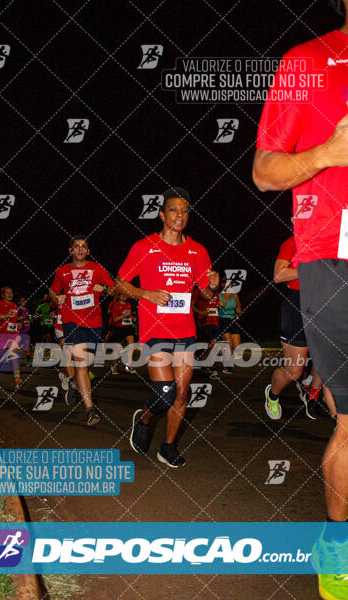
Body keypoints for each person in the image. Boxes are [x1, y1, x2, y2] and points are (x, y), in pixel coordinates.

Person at [253, 3, 348, 595]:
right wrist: (328, 154)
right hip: (337, 257)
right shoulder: (308, 61)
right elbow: (264, 170)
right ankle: (337, 547)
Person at [114, 187, 219, 468]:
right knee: (165, 394)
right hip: (155, 331)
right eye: (174, 210)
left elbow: (206, 293)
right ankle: (145, 418)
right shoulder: (144, 246)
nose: (180, 215)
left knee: (183, 394)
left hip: (185, 331)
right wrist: (146, 294)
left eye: (184, 211)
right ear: (161, 214)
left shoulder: (198, 250)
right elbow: (120, 284)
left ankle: (168, 447)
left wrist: (212, 286)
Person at [49, 234, 115, 426]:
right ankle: (90, 409)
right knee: (81, 364)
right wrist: (56, 298)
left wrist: (102, 288)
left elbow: (114, 289)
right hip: (72, 322)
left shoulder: (97, 268)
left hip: (94, 323)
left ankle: (73, 383)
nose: (79, 249)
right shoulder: (62, 271)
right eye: (76, 246)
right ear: (70, 251)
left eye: (83, 246)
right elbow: (52, 290)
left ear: (88, 251)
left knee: (87, 364)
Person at [265, 235, 324, 421]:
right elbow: (279, 275)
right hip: (298, 305)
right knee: (294, 371)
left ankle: (312, 394)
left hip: (326, 306)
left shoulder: (333, 243)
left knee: (327, 363)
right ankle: (272, 395)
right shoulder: (293, 242)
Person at [0, 287, 22, 390]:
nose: (10, 294)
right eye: (7, 293)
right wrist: (5, 315)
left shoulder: (14, 305)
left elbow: (13, 320)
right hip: (1, 334)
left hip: (12, 334)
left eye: (11, 292)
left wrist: (18, 324)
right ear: (3, 295)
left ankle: (18, 380)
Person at [192, 285, 221, 379]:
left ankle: (199, 358)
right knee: (213, 343)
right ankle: (211, 368)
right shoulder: (198, 290)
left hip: (215, 321)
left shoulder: (216, 291)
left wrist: (220, 306)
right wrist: (201, 312)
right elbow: (191, 305)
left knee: (210, 345)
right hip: (204, 321)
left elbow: (217, 304)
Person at [218, 276, 242, 374]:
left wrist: (238, 311)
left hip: (233, 320)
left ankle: (221, 351)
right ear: (222, 285)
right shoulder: (219, 295)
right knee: (229, 345)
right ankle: (227, 366)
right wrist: (219, 305)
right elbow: (212, 307)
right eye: (224, 283)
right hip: (223, 319)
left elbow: (239, 306)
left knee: (237, 347)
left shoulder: (234, 295)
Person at [110, 294, 137, 375]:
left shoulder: (128, 305)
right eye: (122, 295)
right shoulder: (115, 305)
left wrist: (132, 318)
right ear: (118, 296)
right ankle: (114, 365)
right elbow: (115, 319)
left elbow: (129, 314)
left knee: (131, 345)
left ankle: (128, 365)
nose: (124, 296)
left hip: (128, 327)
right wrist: (125, 315)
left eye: (125, 294)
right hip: (118, 328)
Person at [17, 297, 32, 366]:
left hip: (27, 329)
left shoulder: (27, 309)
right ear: (19, 302)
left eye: (25, 300)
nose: (24, 302)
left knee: (27, 344)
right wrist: (21, 318)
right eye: (22, 301)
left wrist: (30, 320)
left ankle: (29, 360)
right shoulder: (18, 309)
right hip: (20, 329)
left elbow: (27, 318)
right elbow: (14, 318)